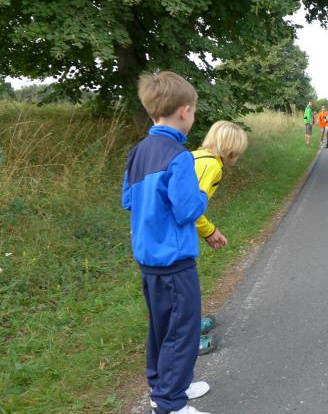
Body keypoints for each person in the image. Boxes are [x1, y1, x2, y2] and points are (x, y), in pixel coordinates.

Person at [122, 71, 211, 414]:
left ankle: (165, 386)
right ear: (185, 110)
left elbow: (128, 201)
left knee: (162, 327)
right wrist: (201, 194)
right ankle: (171, 404)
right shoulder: (179, 155)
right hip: (175, 262)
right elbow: (187, 209)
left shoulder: (137, 153)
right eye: (194, 112)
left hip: (149, 261)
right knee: (182, 331)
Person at [191, 121, 249, 356]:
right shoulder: (211, 165)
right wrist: (209, 231)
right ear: (231, 149)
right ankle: (189, 339)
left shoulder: (195, 156)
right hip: (174, 235)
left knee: (186, 283)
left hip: (167, 232)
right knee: (185, 287)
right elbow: (189, 206)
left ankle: (192, 324)